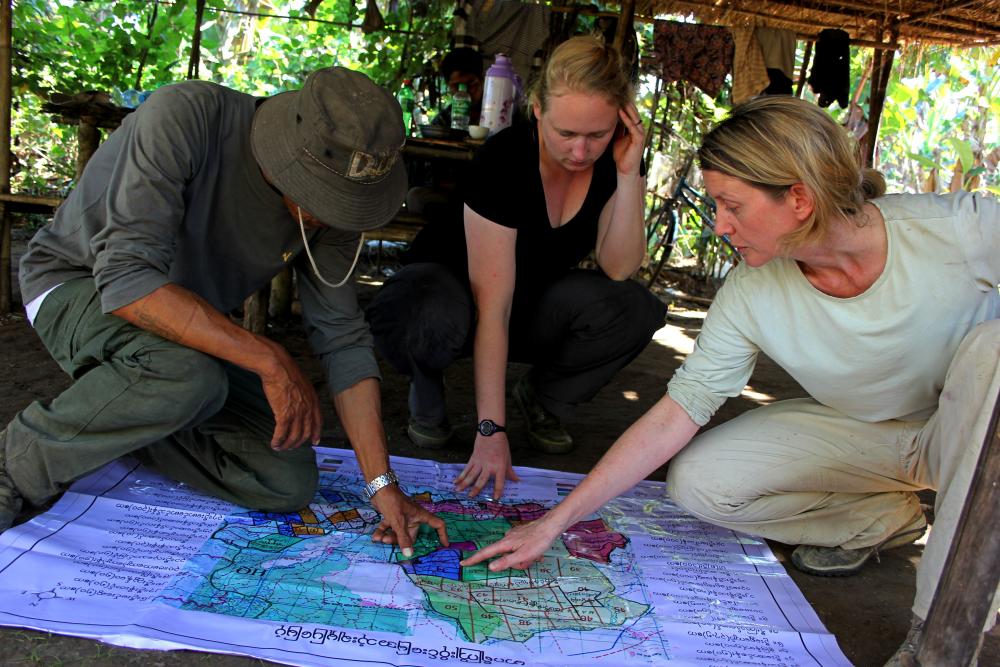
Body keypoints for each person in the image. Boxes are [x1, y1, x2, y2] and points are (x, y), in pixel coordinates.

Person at [461, 96, 999, 665]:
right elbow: (681, 408)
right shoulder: (752, 288)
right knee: (699, 481)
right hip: (877, 441)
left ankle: (936, 632)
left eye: (731, 205)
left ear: (798, 197)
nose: (719, 226)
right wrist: (555, 522)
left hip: (981, 443)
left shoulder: (962, 231)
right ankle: (881, 520)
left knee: (993, 351)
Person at [0, 67, 447, 558]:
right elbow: (126, 281)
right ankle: (11, 464)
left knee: (285, 479)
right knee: (188, 376)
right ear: (287, 159)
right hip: (75, 283)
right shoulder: (186, 117)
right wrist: (267, 358)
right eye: (327, 200)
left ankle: (128, 419)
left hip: (182, 336)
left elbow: (342, 336)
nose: (334, 214)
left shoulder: (340, 206)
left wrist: (382, 485)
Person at [367, 36, 667, 500]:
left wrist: (629, 174)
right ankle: (426, 386)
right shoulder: (505, 159)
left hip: (530, 302)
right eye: (567, 134)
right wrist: (490, 430)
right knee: (426, 304)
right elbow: (494, 306)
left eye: (598, 134)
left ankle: (544, 396)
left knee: (633, 307)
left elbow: (619, 266)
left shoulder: (614, 161)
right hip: (446, 297)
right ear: (538, 108)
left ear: (622, 122)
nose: (582, 152)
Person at [432, 47, 485, 128]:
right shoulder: (442, 121)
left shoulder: (499, 117)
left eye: (470, 84)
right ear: (448, 85)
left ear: (482, 81)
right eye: (457, 86)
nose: (464, 92)